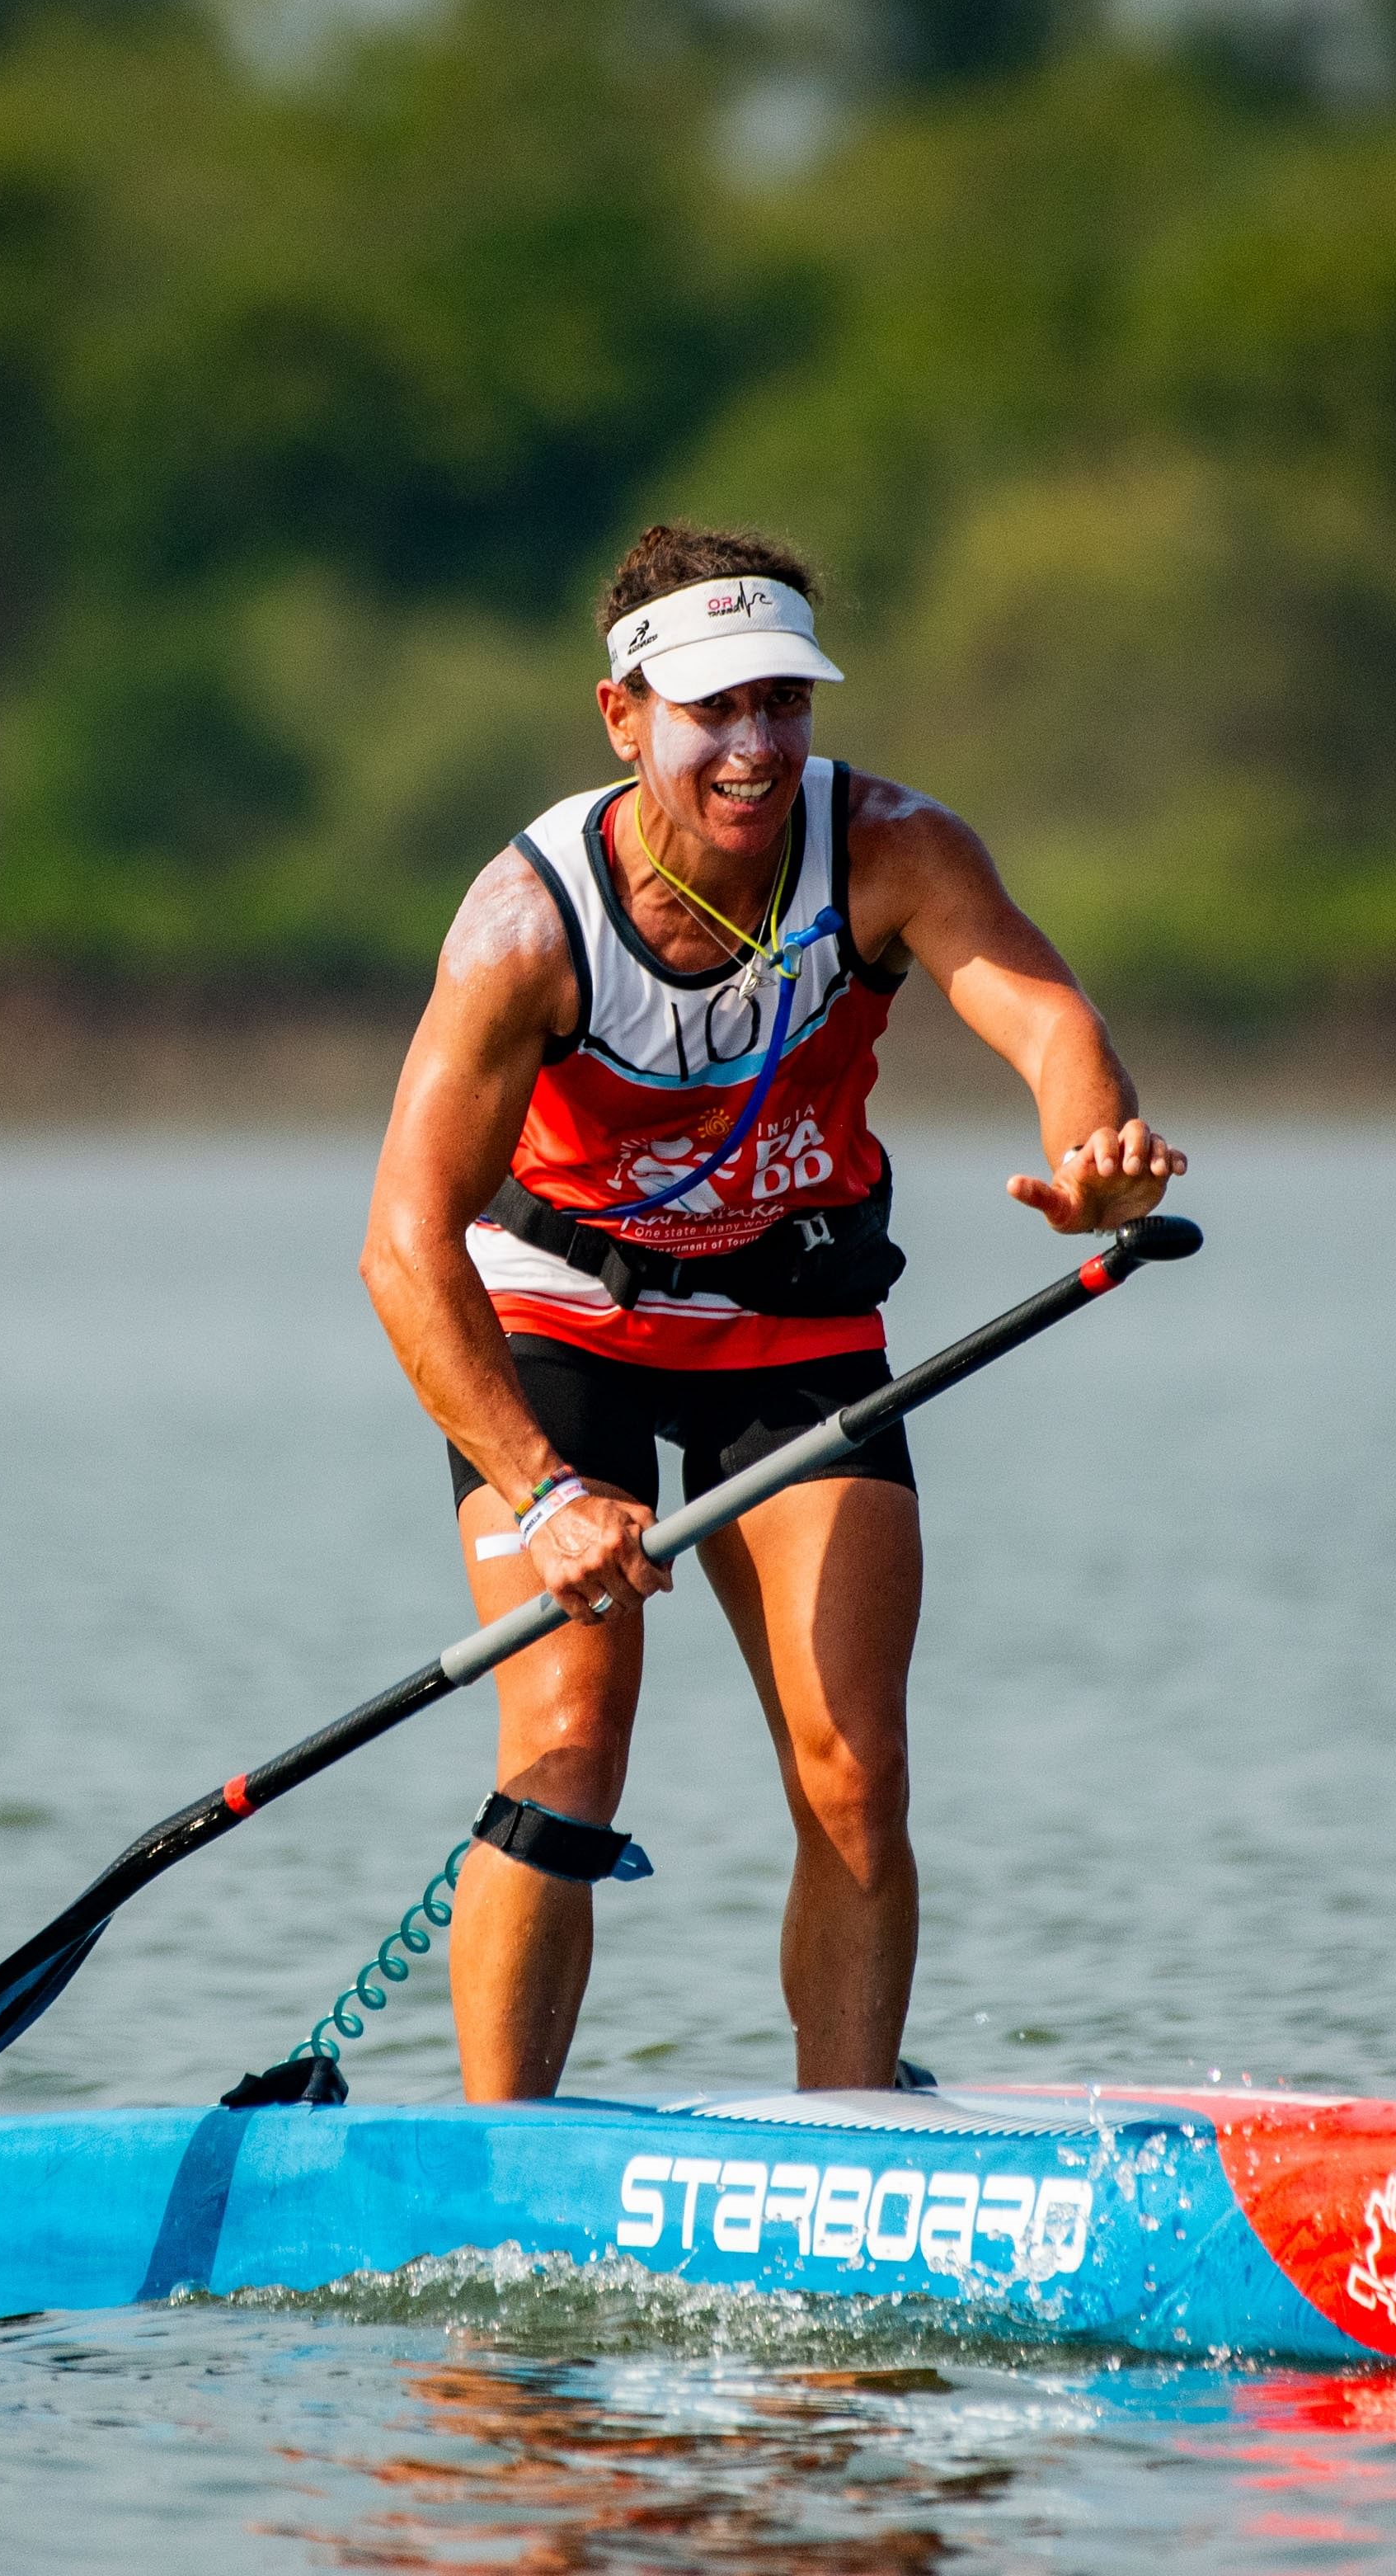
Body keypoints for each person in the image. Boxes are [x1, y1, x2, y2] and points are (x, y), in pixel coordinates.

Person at [359, 520, 1185, 2099]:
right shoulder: (526, 927)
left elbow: (1047, 1018)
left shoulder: (893, 850)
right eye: (711, 709)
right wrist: (541, 1497)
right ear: (624, 718)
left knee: (852, 1771)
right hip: (561, 1329)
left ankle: (850, 2141)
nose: (754, 747)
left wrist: (1093, 1158)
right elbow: (405, 1249)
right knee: (566, 1749)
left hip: (790, 1326)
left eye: (784, 704)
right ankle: (493, 2157)